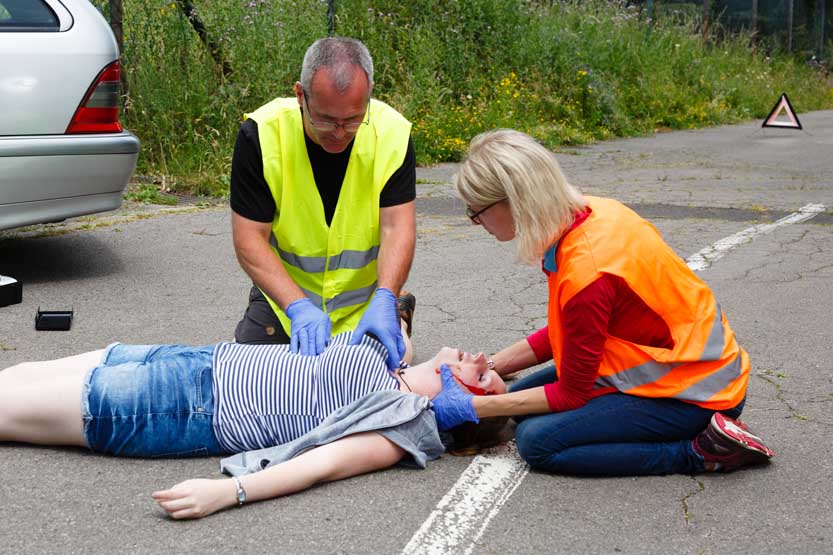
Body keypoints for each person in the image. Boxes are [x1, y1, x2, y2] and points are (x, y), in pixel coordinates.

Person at [430, 129, 775, 476]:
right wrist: (490, 365)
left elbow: (571, 394)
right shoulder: (593, 213)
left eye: (477, 211)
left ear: (514, 201)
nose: (476, 222)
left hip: (696, 395)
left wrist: (473, 404)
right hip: (680, 367)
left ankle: (702, 452)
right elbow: (574, 329)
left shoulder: (588, 270)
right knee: (517, 404)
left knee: (537, 442)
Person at [0, 330, 506, 520]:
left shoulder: (398, 424)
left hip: (176, 407)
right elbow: (400, 318)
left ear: (458, 404)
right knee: (16, 376)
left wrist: (228, 493)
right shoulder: (397, 363)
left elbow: (321, 466)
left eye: (481, 375)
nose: (481, 356)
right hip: (192, 356)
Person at [230, 36, 416, 370]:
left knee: (377, 390)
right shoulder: (261, 135)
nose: (340, 133)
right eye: (326, 120)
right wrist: (297, 307)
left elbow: (397, 228)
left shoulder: (392, 134)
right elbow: (249, 240)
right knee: (252, 377)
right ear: (300, 95)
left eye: (353, 120)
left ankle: (396, 308)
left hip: (364, 307)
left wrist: (385, 296)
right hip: (285, 304)